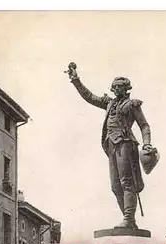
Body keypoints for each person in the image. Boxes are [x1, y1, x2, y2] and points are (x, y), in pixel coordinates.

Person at [66, 63, 154, 229]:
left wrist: (147, 143)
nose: (117, 89)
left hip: (125, 144)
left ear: (126, 89)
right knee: (115, 186)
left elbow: (144, 125)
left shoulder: (132, 105)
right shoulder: (109, 103)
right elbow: (89, 97)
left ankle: (128, 219)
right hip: (111, 145)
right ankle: (129, 220)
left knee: (127, 182)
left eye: (120, 87)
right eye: (115, 87)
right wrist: (76, 80)